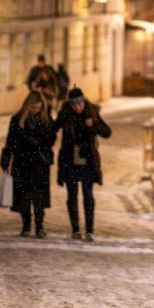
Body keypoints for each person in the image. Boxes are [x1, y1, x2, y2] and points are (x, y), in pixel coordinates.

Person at [55, 87, 112, 241]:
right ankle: (75, 229)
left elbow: (107, 132)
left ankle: (89, 230)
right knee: (72, 195)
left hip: (87, 160)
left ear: (84, 101)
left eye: (80, 103)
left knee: (88, 195)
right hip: (69, 160)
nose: (78, 107)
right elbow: (52, 128)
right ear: (70, 104)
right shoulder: (65, 114)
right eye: (74, 104)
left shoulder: (91, 112)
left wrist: (93, 125)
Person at [1, 91, 56, 238]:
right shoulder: (17, 119)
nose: (36, 110)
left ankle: (39, 226)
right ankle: (26, 225)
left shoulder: (46, 119)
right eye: (33, 107)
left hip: (40, 162)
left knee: (39, 197)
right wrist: (6, 158)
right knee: (23, 196)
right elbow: (10, 141)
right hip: (22, 162)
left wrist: (39, 142)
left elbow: (51, 139)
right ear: (27, 106)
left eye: (39, 107)